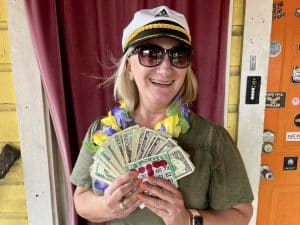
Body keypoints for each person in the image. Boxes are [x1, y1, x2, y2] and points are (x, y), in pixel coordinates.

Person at [70, 5, 254, 225]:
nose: (166, 69)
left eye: (179, 55)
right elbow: (81, 200)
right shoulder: (100, 132)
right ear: (129, 66)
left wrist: (188, 219)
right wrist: (107, 208)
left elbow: (242, 215)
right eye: (150, 54)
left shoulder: (212, 139)